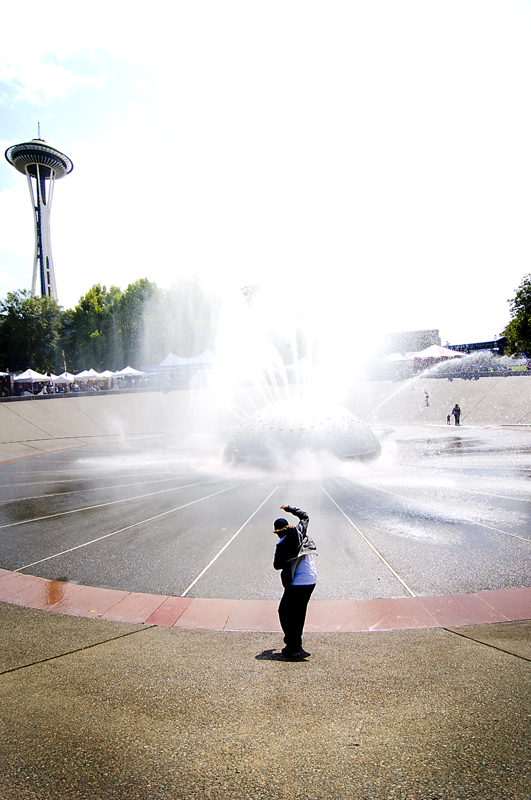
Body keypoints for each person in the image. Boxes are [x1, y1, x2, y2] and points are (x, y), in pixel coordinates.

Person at [273, 504, 317, 660]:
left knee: (284, 612)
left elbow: (277, 566)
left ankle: (292, 646)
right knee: (299, 613)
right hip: (311, 578)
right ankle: (296, 646)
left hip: (299, 582)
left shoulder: (282, 545)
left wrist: (280, 550)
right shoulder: (299, 531)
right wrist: (289, 508)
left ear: (277, 533)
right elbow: (305, 516)